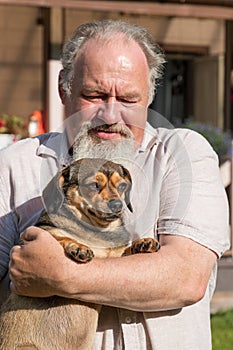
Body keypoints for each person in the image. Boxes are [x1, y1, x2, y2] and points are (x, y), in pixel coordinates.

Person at [0, 20, 230, 349]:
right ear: (64, 89)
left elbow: (185, 277)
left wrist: (59, 275)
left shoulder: (183, 155)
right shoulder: (15, 165)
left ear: (149, 98)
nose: (111, 114)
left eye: (128, 99)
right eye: (94, 95)